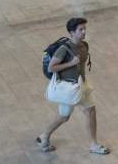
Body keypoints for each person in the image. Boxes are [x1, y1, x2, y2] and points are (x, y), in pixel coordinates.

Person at [36, 17, 109, 155]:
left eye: (84, 29)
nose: (83, 32)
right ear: (72, 32)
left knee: (91, 111)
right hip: (68, 89)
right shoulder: (63, 49)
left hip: (82, 84)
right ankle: (44, 136)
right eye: (80, 30)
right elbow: (52, 68)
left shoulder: (84, 45)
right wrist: (71, 63)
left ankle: (94, 144)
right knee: (64, 116)